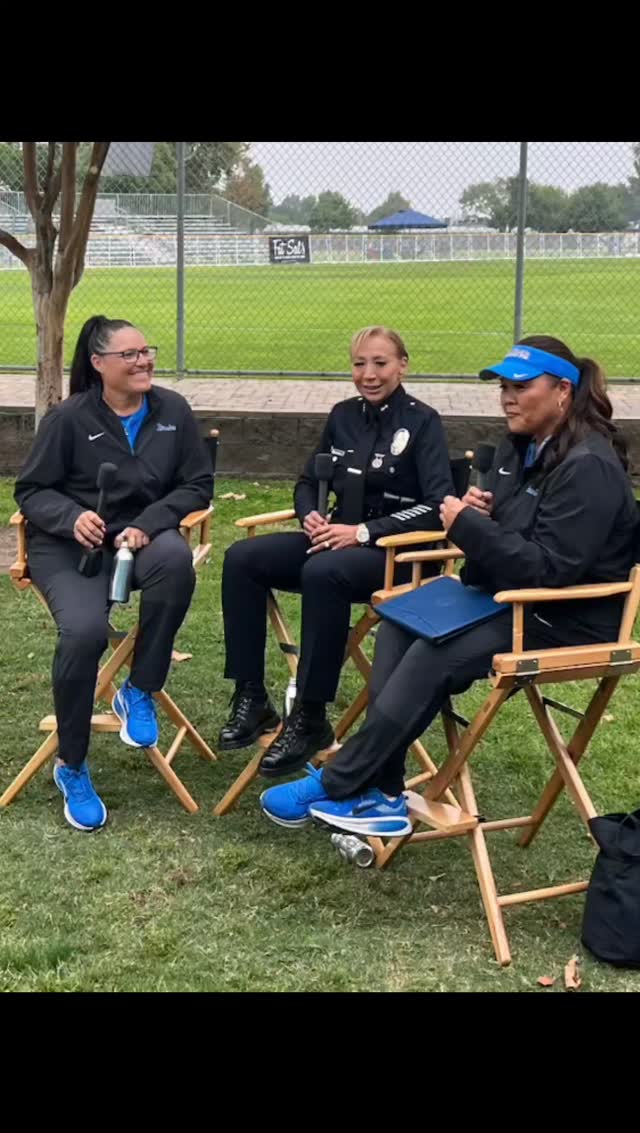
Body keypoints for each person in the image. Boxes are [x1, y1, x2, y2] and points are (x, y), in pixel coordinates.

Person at [260, 334, 638, 835]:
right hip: (506, 598)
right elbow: (507, 547)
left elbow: (548, 570)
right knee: (399, 622)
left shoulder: (589, 465)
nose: (508, 396)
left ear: (563, 391)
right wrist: (485, 518)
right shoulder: (517, 448)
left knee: (432, 653)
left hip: (564, 616)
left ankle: (342, 780)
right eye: (504, 385)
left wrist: (470, 526)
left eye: (522, 386)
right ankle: (385, 793)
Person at [219, 326, 454, 778]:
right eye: (359, 363)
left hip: (396, 556)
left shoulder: (423, 421)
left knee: (324, 573)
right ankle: (251, 697)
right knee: (242, 560)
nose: (368, 374)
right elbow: (310, 480)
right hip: (334, 542)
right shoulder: (342, 415)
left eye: (380, 363)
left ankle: (310, 715)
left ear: (403, 365)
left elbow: (436, 508)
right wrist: (310, 515)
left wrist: (363, 532)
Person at [15, 315, 213, 833]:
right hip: (68, 546)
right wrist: (71, 517)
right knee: (81, 634)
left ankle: (140, 689)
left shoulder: (173, 411)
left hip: (139, 538)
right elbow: (31, 492)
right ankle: (72, 765)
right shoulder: (68, 418)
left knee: (174, 561)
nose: (144, 360)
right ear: (99, 364)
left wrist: (148, 525)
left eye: (146, 351)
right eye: (130, 354)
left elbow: (197, 485)